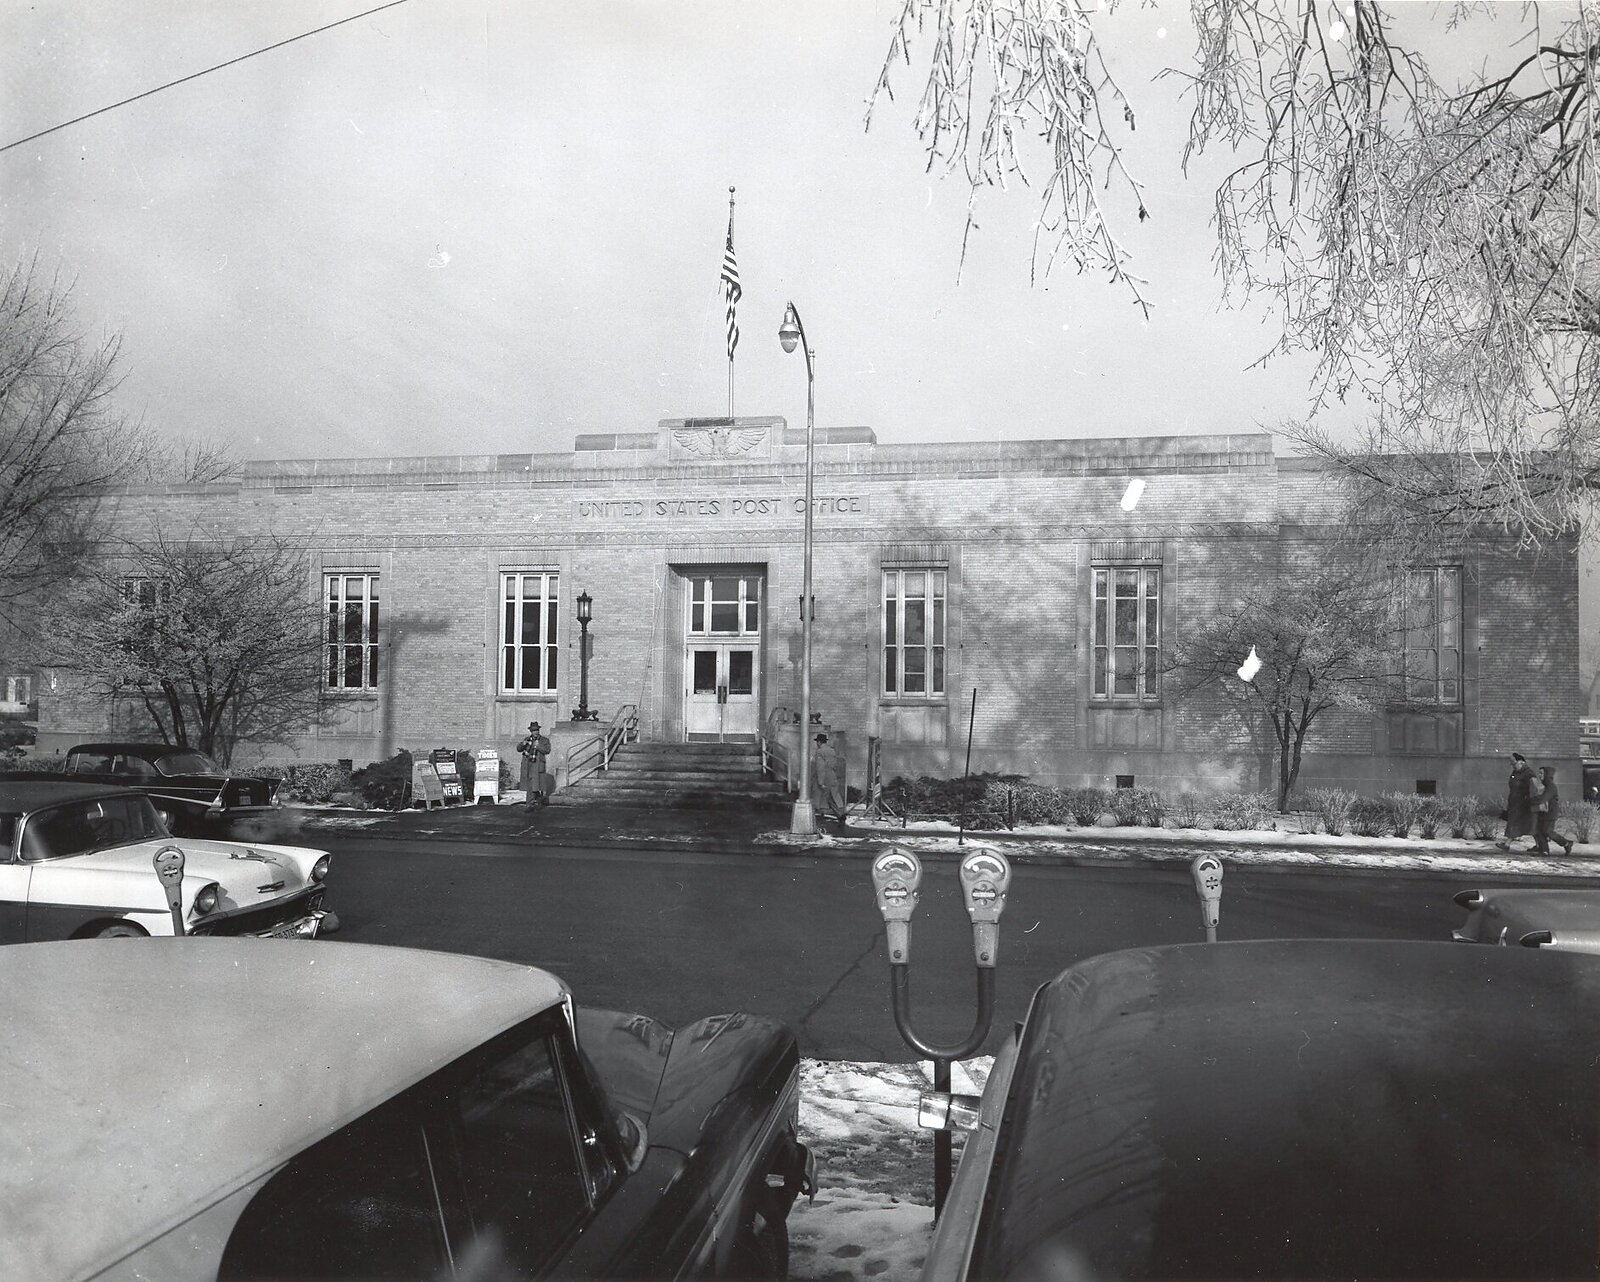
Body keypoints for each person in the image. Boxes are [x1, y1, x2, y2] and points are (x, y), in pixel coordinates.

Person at [1496, 752, 1537, 850]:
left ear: (1521, 762)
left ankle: (1507, 844)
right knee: (1525, 824)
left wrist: (1528, 800)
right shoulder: (1515, 772)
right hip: (1515, 802)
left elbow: (1534, 788)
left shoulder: (1529, 773)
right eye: (1512, 764)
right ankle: (1538, 844)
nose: (1512, 766)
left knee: (1519, 823)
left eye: (1514, 763)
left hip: (1523, 804)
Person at [1533, 764, 1575, 855]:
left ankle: (1566, 843)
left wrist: (1530, 801)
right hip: (1544, 812)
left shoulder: (1550, 786)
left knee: (1547, 831)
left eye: (1541, 773)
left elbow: (1543, 798)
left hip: (1550, 813)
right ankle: (1544, 851)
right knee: (1540, 830)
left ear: (1547, 775)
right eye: (1539, 773)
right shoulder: (1545, 785)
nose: (1539, 775)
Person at [811, 732, 847, 826]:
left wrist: (820, 781)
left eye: (817, 742)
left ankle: (838, 814)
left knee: (821, 795)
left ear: (819, 742)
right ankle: (840, 813)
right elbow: (835, 764)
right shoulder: (832, 751)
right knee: (833, 796)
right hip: (832, 775)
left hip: (825, 776)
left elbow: (820, 767)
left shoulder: (819, 752)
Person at [517, 721, 551, 807]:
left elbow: (547, 750)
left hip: (538, 764)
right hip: (528, 764)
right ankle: (533, 801)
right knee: (530, 784)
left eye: (536, 730)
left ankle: (532, 802)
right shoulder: (527, 739)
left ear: (539, 730)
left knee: (536, 784)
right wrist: (522, 744)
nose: (535, 732)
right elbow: (519, 749)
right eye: (533, 730)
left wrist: (538, 746)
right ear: (530, 731)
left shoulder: (544, 740)